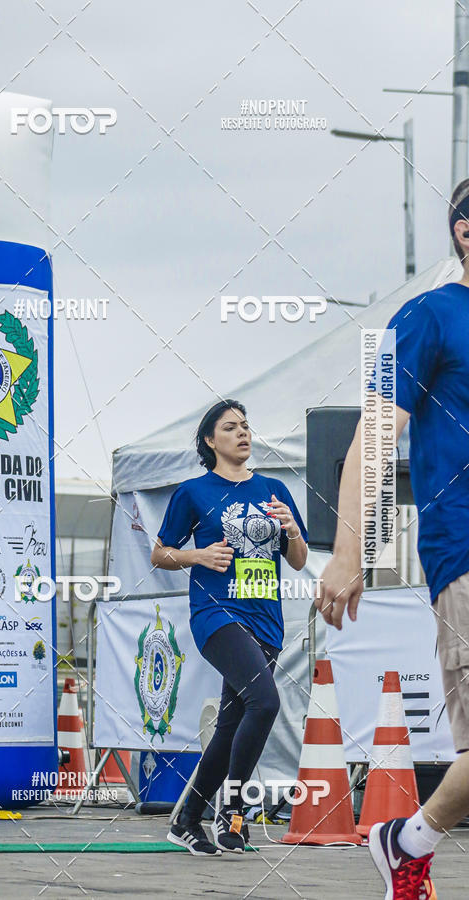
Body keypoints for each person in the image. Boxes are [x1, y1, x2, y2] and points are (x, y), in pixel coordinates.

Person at [315, 182, 469, 899]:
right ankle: (406, 840)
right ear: (464, 232)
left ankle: (406, 841)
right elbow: (371, 440)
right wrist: (349, 555)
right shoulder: (428, 317)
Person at [151, 399, 308, 856]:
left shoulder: (273, 489)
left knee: (231, 722)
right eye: (230, 427)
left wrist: (291, 531)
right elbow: (160, 553)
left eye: (245, 426)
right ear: (209, 440)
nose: (242, 433)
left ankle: (187, 821)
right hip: (217, 614)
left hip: (266, 620)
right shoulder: (194, 492)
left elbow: (297, 560)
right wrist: (198, 556)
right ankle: (231, 813)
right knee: (265, 701)